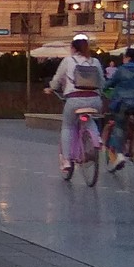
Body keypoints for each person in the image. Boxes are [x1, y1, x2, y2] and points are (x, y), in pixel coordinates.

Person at [47, 33, 105, 175]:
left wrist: (51, 88)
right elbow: (102, 82)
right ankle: (97, 138)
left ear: (73, 48)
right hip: (94, 100)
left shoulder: (68, 61)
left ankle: (67, 160)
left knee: (67, 126)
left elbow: (57, 79)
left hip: (74, 100)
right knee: (89, 118)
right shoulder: (95, 62)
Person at [102, 47, 134, 171]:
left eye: (124, 57)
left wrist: (102, 89)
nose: (123, 59)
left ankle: (119, 155)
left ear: (129, 58)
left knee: (119, 125)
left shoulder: (121, 70)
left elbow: (108, 84)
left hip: (124, 103)